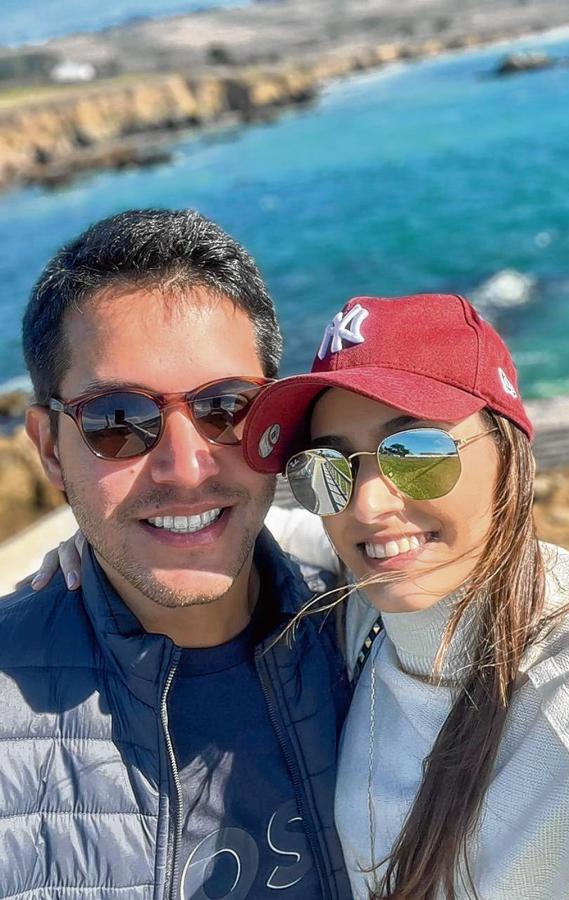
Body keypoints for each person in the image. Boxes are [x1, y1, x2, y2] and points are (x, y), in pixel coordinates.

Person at [239, 293, 569, 900]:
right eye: (330, 467)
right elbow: (272, 531)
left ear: (509, 456)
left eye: (417, 454)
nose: (367, 505)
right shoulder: (369, 602)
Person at [0, 209, 351, 899]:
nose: (186, 467)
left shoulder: (374, 632)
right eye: (117, 421)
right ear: (50, 449)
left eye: (227, 408)